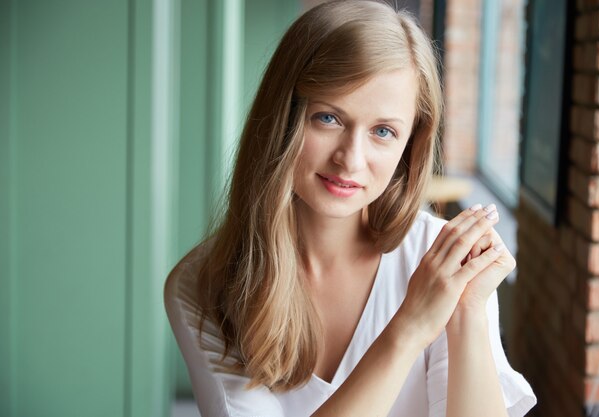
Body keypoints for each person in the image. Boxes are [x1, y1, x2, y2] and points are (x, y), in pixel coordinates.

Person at [164, 1, 537, 416]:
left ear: (409, 145)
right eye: (328, 118)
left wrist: (467, 311)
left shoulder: (443, 259)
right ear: (281, 119)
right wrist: (409, 327)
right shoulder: (204, 282)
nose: (351, 159)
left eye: (383, 131)